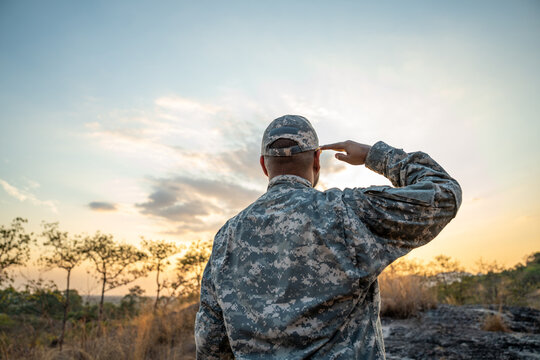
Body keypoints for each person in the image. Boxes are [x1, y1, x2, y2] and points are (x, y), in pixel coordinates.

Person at [195, 115, 462, 359]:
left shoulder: (226, 237)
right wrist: (373, 155)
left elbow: (210, 342)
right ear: (316, 161)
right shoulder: (345, 212)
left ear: (264, 165)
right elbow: (444, 193)